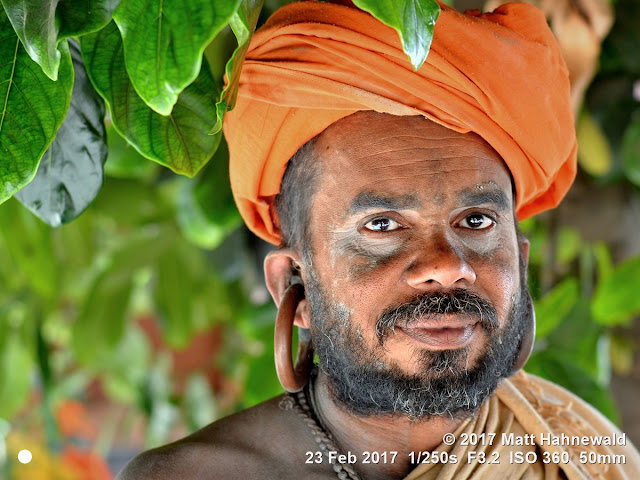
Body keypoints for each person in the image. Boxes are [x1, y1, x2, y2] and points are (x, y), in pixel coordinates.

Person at [117, 1, 640, 479]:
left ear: (520, 265)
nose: (446, 265)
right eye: (383, 226)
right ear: (293, 286)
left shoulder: (582, 456)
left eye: (477, 221)